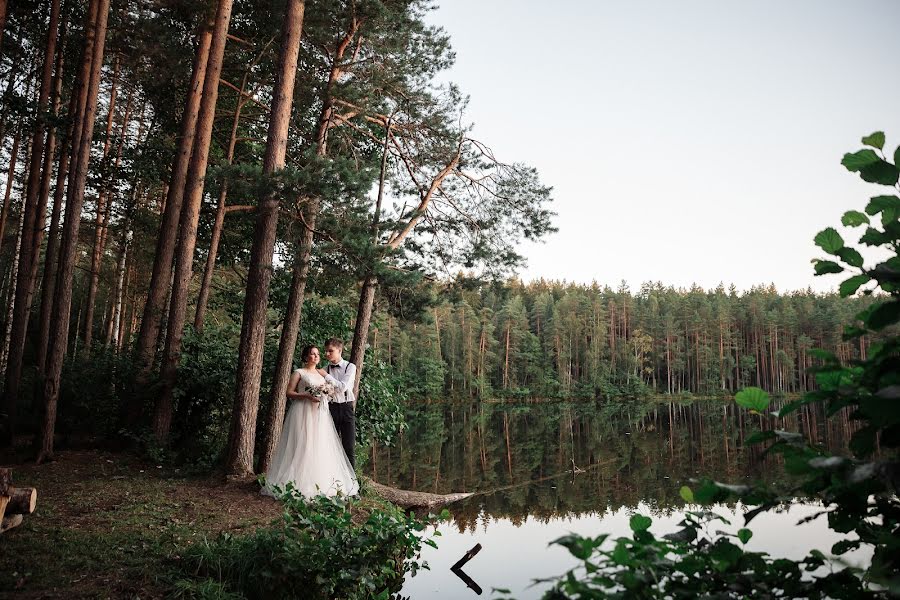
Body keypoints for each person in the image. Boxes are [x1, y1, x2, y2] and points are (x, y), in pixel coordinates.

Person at [262, 345, 359, 498]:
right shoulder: (299, 372)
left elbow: (335, 389)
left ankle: (325, 482)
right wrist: (306, 396)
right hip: (302, 412)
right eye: (312, 354)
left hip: (320, 414)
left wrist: (325, 394)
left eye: (317, 354)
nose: (316, 356)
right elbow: (289, 392)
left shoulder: (323, 373)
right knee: (302, 445)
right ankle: (297, 481)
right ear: (306, 356)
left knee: (320, 445)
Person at [317, 337, 357, 468]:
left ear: (339, 351)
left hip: (346, 409)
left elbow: (342, 387)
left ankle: (352, 483)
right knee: (330, 446)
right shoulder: (324, 369)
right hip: (330, 409)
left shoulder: (350, 367)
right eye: (326, 351)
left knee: (349, 446)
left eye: (330, 351)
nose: (327, 354)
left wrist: (326, 376)